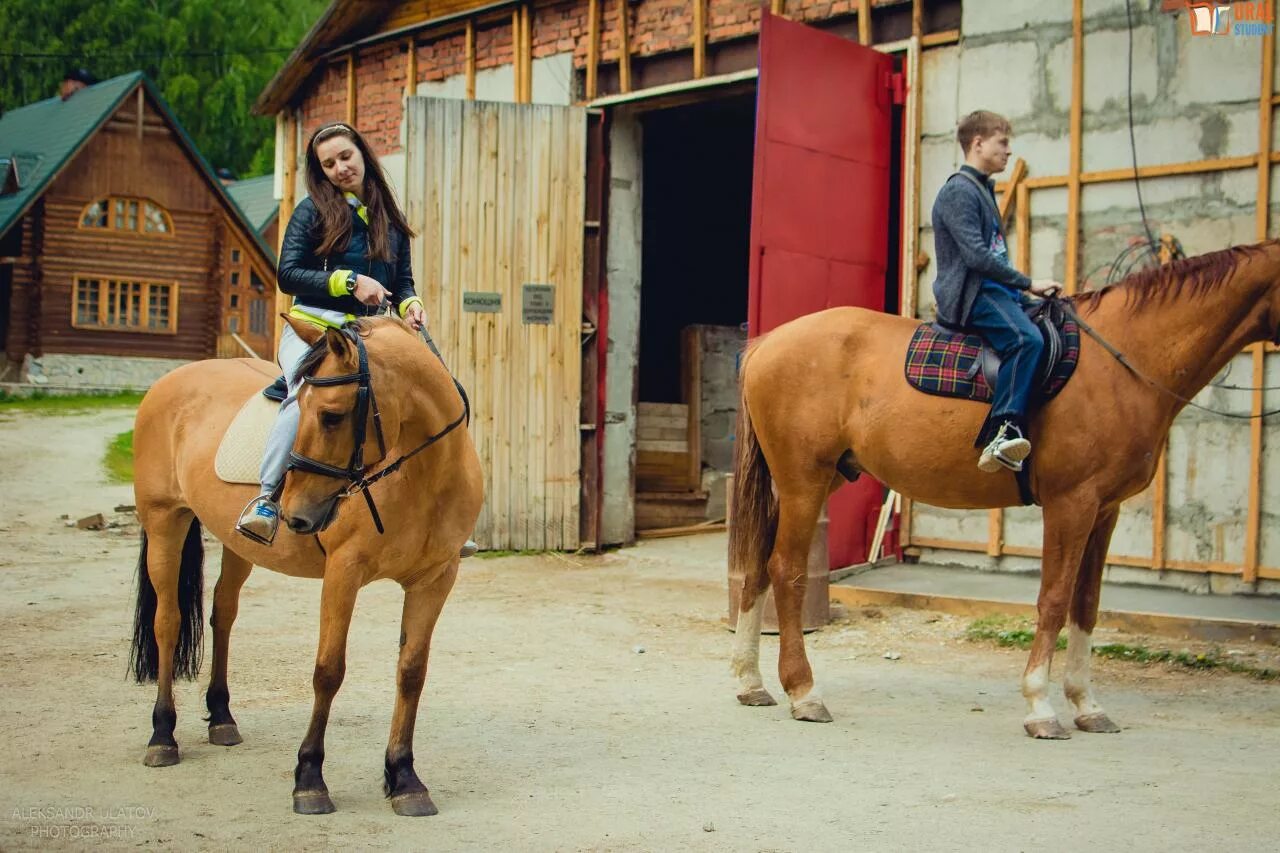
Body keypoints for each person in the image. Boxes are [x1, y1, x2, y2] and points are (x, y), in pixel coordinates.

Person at [236, 122, 477, 557]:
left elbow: (401, 283)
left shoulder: (391, 219)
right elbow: (287, 274)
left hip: (371, 331)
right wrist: (348, 283)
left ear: (362, 154)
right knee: (303, 398)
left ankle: (438, 513)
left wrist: (410, 307)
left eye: (345, 157)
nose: (339, 168)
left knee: (445, 396)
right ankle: (268, 500)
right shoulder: (312, 211)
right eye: (328, 164)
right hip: (316, 328)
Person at [931, 110, 1063, 473]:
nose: (1008, 152)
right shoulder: (958, 191)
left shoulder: (982, 189)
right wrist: (1027, 282)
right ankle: (1003, 431)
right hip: (973, 295)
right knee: (1027, 341)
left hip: (995, 290)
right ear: (978, 144)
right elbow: (976, 256)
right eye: (1002, 142)